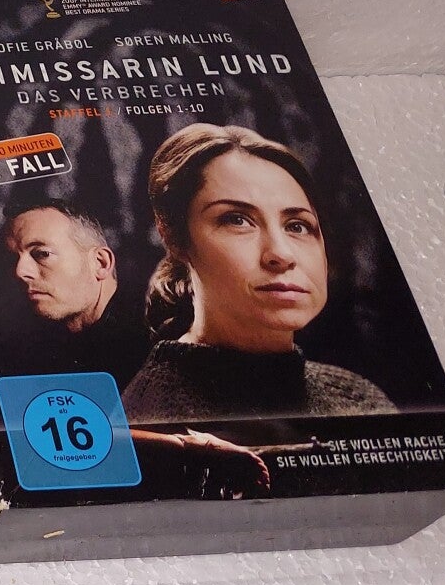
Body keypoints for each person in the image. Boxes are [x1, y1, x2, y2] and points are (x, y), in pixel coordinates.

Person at [121, 124, 391, 423]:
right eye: (237, 220)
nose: (281, 254)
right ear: (174, 238)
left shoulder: (357, 395)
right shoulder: (155, 418)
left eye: (297, 226)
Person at [0, 203, 149, 383]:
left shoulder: (159, 339)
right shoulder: (24, 346)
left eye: (42, 254)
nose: (20, 271)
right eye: (13, 259)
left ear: (100, 263)